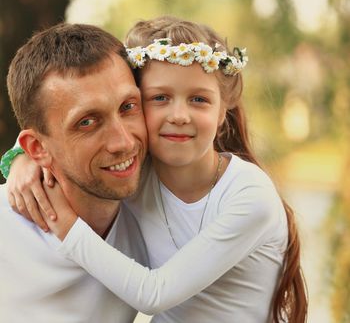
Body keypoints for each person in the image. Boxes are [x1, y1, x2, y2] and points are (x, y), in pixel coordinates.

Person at [3, 16, 308, 322]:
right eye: (159, 98)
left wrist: (63, 220)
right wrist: (19, 157)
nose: (178, 115)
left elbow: (153, 294)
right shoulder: (138, 174)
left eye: (199, 100)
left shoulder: (246, 194)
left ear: (221, 111)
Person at [0, 23, 149, 322]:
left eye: (128, 106)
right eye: (87, 122)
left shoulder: (159, 207)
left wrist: (17, 157)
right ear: (37, 148)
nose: (123, 142)